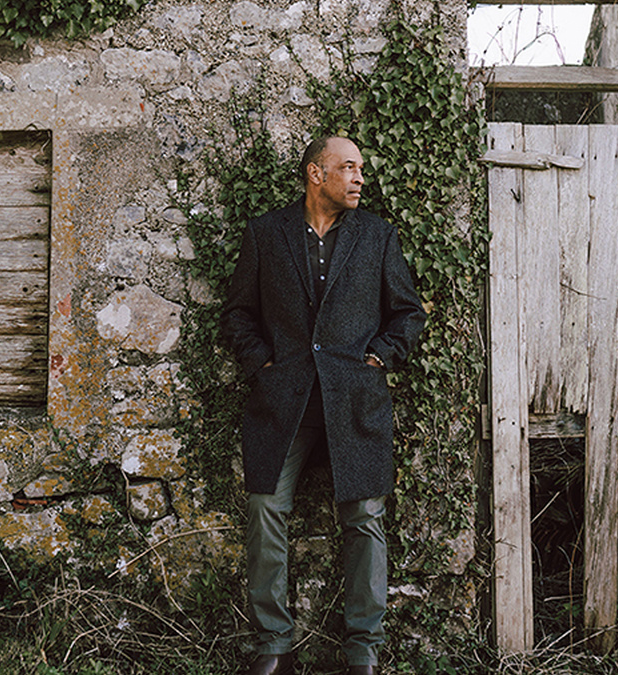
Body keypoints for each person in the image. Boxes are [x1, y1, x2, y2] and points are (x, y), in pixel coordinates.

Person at [221, 136, 426, 675]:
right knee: (266, 509)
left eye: (361, 169)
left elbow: (407, 312)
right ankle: (275, 646)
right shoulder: (266, 234)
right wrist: (260, 363)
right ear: (316, 173)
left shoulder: (378, 236)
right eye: (348, 168)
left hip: (354, 401)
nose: (359, 178)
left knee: (364, 518)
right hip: (283, 402)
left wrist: (379, 357)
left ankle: (362, 652)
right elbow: (238, 313)